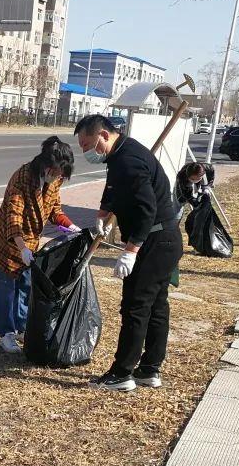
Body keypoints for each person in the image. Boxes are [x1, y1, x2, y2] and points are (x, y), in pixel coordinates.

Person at [74, 114, 182, 392]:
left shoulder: (129, 161)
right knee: (157, 305)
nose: (87, 152)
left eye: (89, 145)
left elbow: (146, 209)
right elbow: (115, 188)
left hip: (154, 242)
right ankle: (149, 369)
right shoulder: (122, 154)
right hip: (165, 240)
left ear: (104, 135)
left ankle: (122, 373)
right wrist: (103, 211)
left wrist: (130, 251)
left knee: (136, 307)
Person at [0, 136, 79, 353]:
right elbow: (13, 217)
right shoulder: (22, 178)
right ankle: (6, 333)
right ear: (47, 166)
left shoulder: (55, 180)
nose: (58, 177)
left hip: (30, 243)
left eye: (61, 175)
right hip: (8, 243)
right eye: (56, 173)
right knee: (6, 289)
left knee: (25, 287)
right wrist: (22, 248)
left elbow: (55, 210)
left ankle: (20, 326)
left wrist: (71, 227)